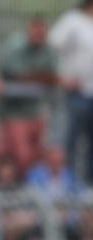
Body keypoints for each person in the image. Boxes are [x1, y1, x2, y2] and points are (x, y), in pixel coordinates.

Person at [0, 16, 58, 178]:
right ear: (28, 30)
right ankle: (14, 191)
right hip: (14, 113)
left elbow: (53, 77)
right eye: (35, 30)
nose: (38, 34)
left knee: (36, 156)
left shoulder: (47, 50)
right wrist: (39, 77)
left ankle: (29, 194)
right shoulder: (15, 46)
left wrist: (35, 77)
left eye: (42, 31)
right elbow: (16, 75)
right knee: (20, 156)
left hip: (35, 112)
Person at [48, 1, 93, 184]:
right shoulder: (72, 20)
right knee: (72, 143)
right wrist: (62, 76)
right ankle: (71, 188)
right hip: (78, 94)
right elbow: (52, 45)